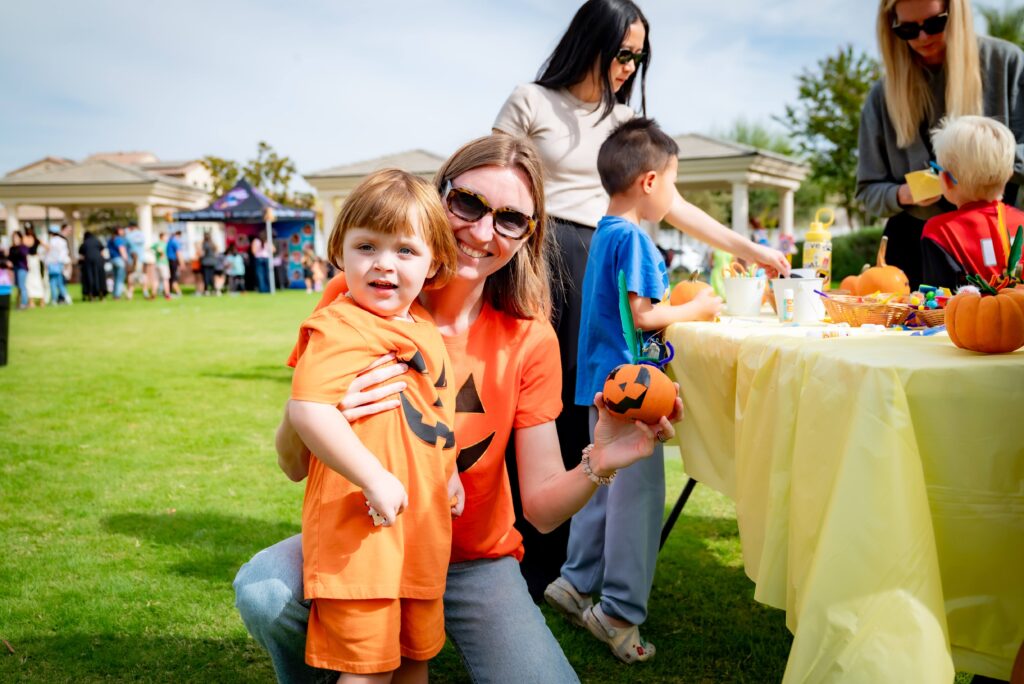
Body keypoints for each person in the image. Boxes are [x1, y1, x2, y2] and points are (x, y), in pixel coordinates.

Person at [233, 134, 680, 684]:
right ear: (438, 198)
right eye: (468, 204)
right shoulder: (359, 298)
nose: (483, 232)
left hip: (474, 561)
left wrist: (604, 457)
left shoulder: (529, 338)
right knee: (266, 592)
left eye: (511, 219)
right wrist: (321, 412)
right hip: (372, 533)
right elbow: (293, 463)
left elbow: (539, 509)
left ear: (528, 234)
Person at [492, 0, 789, 599]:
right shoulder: (529, 100)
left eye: (639, 55)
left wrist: (750, 248)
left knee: (589, 407)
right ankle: (513, 550)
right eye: (622, 51)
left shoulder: (625, 123)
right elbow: (495, 176)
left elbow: (671, 203)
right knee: (530, 401)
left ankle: (564, 566)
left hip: (598, 261)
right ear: (591, 41)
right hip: (536, 256)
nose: (630, 65)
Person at [544, 119, 721, 664]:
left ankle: (574, 582)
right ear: (649, 182)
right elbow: (645, 316)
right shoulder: (638, 240)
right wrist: (699, 307)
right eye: (674, 182)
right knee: (638, 498)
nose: (674, 195)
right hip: (634, 386)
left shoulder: (603, 234)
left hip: (600, 380)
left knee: (601, 479)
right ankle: (617, 611)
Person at [287, 169, 460, 681]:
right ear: (340, 253)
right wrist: (374, 476)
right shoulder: (339, 325)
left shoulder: (423, 329)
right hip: (358, 540)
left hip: (420, 534)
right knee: (367, 671)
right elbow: (309, 408)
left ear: (435, 264)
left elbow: (435, 415)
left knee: (414, 661)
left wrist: (446, 473)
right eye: (367, 246)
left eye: (405, 250)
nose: (384, 263)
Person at [857, 0, 1024, 291]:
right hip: (912, 244)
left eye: (935, 24)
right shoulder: (881, 96)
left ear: (956, 14)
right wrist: (905, 194)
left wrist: (981, 168)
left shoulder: (1006, 62)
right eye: (907, 29)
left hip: (996, 237)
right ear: (891, 26)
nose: (922, 37)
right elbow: (866, 190)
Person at [919, 115, 1024, 289]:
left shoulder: (939, 232)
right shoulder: (1021, 220)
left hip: (969, 315)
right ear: (1008, 176)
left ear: (946, 179)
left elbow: (939, 303)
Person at [45, 225, 72, 305]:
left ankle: (54, 299)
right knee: (60, 282)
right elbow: (64, 254)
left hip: (52, 265)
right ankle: (66, 297)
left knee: (53, 283)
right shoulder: (62, 241)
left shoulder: (50, 242)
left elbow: (47, 254)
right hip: (59, 264)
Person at [107, 226, 128, 299]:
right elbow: (122, 249)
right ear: (118, 231)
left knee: (116, 278)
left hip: (113, 260)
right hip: (119, 260)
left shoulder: (110, 239)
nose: (123, 231)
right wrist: (126, 260)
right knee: (120, 278)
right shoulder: (118, 239)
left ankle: (115, 293)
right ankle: (117, 295)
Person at [9, 231, 29, 310]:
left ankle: (24, 303)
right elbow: (10, 259)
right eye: (14, 237)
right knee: (18, 287)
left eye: (17, 237)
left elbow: (23, 255)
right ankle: (19, 303)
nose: (15, 239)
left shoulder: (23, 247)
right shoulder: (12, 248)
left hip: (22, 268)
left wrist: (18, 247)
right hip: (15, 269)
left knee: (22, 286)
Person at [153, 232, 171, 300]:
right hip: (163, 264)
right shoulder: (163, 244)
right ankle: (167, 295)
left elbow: (149, 248)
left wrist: (155, 254)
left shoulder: (156, 244)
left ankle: (153, 294)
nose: (167, 238)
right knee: (165, 279)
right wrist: (162, 254)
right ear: (162, 237)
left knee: (156, 280)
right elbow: (160, 250)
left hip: (157, 263)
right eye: (166, 237)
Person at [166, 230, 182, 297]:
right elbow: (178, 253)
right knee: (174, 277)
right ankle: (178, 292)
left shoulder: (169, 241)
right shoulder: (175, 241)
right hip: (173, 260)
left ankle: (170, 291)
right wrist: (182, 263)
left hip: (169, 260)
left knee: (171, 276)